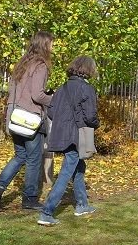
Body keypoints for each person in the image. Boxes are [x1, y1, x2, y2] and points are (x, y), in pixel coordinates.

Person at [0, 31, 54, 212]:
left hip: (15, 117)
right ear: (45, 45)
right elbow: (37, 95)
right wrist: (53, 99)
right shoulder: (40, 65)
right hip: (30, 119)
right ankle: (30, 199)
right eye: (51, 44)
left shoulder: (22, 64)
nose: (53, 48)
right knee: (33, 160)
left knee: (20, 157)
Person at [37, 55, 100, 226]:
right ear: (88, 70)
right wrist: (95, 125)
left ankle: (82, 205)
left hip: (60, 134)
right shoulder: (87, 89)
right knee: (67, 171)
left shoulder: (62, 88)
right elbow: (91, 115)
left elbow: (51, 112)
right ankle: (47, 212)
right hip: (76, 135)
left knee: (79, 167)